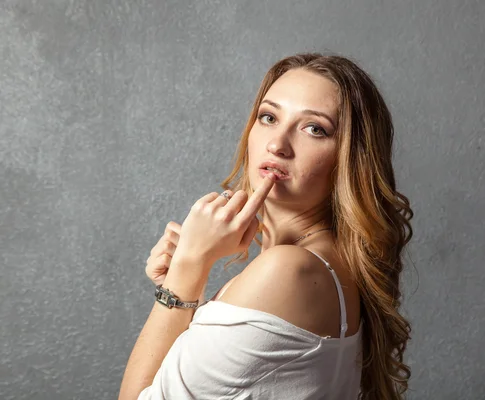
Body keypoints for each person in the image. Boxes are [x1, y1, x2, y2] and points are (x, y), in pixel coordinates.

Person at [118, 52, 414, 400]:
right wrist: (185, 277)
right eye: (269, 117)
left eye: (314, 128)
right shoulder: (319, 263)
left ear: (350, 158)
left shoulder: (288, 271)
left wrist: (186, 271)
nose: (277, 144)